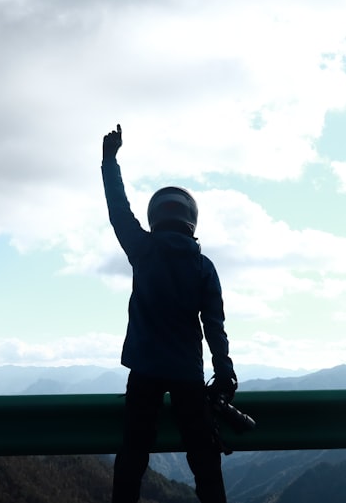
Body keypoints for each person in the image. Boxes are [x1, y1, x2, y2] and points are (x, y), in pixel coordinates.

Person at [101, 124, 238, 503]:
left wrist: (109, 161)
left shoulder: (143, 250)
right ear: (191, 219)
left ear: (156, 217)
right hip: (188, 375)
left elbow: (118, 211)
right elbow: (215, 327)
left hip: (144, 371)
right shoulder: (203, 267)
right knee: (205, 462)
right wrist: (224, 371)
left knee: (132, 459)